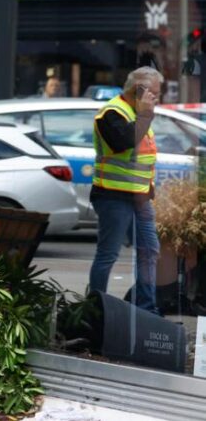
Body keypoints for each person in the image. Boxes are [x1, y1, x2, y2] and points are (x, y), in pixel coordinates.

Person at [88, 66, 162, 314]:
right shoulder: (112, 112)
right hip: (113, 196)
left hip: (139, 198)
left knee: (149, 251)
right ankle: (94, 307)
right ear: (137, 90)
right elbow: (122, 144)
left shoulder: (137, 113)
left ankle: (146, 309)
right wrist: (145, 116)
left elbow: (142, 159)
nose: (156, 99)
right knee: (108, 253)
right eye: (153, 93)